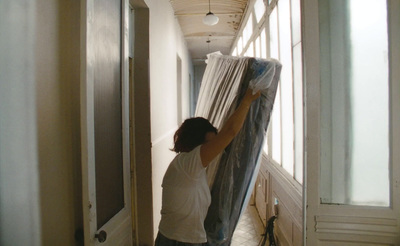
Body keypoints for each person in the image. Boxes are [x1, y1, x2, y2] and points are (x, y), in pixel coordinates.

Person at [155, 89, 261, 246]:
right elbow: (230, 132)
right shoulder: (189, 163)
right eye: (208, 144)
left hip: (176, 238)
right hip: (179, 242)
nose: (214, 151)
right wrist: (246, 101)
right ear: (198, 141)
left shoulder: (185, 165)